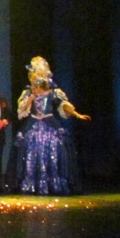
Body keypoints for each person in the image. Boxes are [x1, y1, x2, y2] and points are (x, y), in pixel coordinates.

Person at [13, 57, 90, 195]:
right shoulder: (28, 93)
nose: (35, 82)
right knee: (30, 150)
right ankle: (32, 183)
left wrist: (77, 114)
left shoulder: (53, 93)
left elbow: (64, 105)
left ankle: (52, 182)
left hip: (50, 125)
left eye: (38, 79)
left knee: (55, 149)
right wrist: (31, 97)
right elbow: (22, 109)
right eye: (34, 79)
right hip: (33, 125)